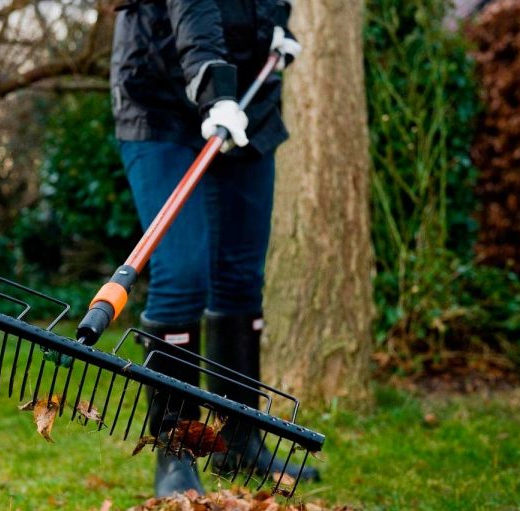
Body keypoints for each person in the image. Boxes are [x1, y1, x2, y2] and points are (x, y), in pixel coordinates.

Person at [110, 0, 318, 497]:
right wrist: (213, 88)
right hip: (160, 97)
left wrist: (276, 26)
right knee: (181, 273)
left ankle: (239, 441)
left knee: (240, 277)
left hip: (246, 99)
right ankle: (176, 454)